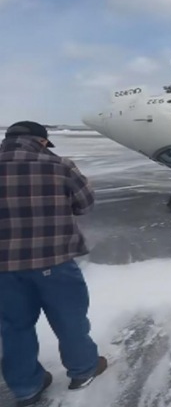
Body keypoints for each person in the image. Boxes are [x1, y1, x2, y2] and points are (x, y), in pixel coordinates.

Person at [0, 121, 107, 406]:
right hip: (54, 260)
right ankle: (83, 370)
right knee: (69, 319)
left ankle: (25, 386)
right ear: (42, 141)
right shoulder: (60, 165)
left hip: (4, 268)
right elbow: (85, 203)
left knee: (14, 327)